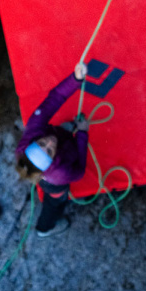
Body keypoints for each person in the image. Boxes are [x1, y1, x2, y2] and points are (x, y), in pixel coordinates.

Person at [15, 62, 91, 238]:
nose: (49, 142)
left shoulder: (33, 130)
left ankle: (64, 134)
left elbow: (54, 98)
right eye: (49, 151)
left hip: (47, 166)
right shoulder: (61, 173)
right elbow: (79, 171)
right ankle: (44, 228)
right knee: (55, 203)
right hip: (53, 184)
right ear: (53, 160)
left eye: (42, 144)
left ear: (34, 142)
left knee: (55, 136)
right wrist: (82, 134)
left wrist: (75, 79)